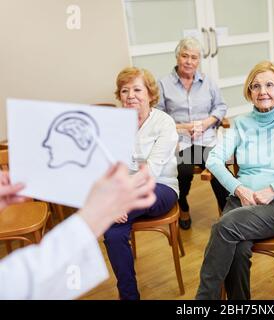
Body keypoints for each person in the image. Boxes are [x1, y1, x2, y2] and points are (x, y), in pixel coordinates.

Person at [196, 61, 274, 300]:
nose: (263, 91)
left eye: (269, 85)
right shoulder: (241, 123)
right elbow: (213, 160)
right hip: (241, 201)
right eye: (256, 86)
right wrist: (238, 188)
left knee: (224, 228)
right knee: (238, 249)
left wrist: (273, 189)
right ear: (249, 92)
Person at [0, 163, 156, 299]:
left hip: (156, 186)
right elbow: (26, 281)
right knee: (113, 233)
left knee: (113, 231)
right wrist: (96, 214)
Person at [103, 67, 179, 300]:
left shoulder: (164, 123)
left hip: (161, 188)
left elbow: (151, 171)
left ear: (149, 94)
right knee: (113, 233)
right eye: (125, 90)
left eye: (137, 89)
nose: (130, 95)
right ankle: (129, 295)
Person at [156, 37, 229, 230]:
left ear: (199, 60)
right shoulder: (163, 84)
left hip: (206, 140)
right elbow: (158, 116)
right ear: (177, 57)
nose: (189, 61)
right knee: (183, 171)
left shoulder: (208, 82)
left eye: (194, 57)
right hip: (181, 142)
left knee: (218, 168)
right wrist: (182, 127)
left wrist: (207, 122)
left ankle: (225, 212)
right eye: (185, 56)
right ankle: (183, 205)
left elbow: (221, 107)